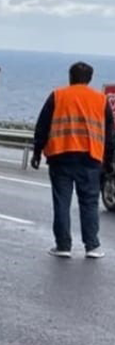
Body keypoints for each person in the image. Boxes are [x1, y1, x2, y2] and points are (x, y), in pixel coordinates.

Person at [31, 61, 115, 259]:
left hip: (61, 155)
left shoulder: (58, 95)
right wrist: (109, 160)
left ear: (70, 76)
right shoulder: (100, 100)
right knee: (89, 202)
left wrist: (36, 152)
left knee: (62, 202)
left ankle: (63, 245)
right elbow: (110, 134)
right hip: (91, 156)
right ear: (90, 79)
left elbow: (42, 125)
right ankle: (92, 246)